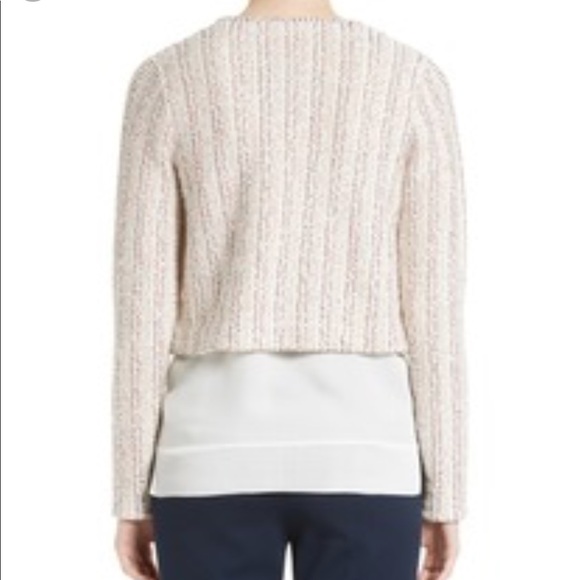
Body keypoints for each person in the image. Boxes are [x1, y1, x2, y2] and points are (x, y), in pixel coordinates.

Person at [111, 1, 469, 579]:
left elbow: (141, 311)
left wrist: (131, 492)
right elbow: (436, 310)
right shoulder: (411, 81)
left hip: (207, 454)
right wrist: (446, 490)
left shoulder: (168, 79)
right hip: (367, 453)